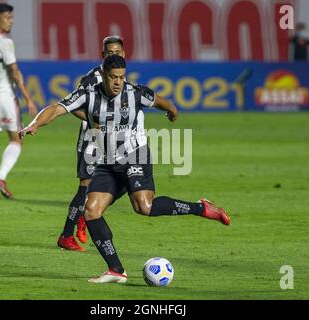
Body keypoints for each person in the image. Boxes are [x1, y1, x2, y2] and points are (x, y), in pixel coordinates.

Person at [19, 55, 231, 284]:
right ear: (103, 74)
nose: (118, 82)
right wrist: (35, 124)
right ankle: (116, 270)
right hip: (107, 162)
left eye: (121, 76)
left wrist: (171, 110)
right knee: (91, 210)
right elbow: (57, 108)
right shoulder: (87, 94)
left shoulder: (135, 93)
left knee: (144, 207)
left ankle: (202, 209)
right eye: (113, 77)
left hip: (134, 156)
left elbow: (159, 100)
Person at [57, 36, 126, 252]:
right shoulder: (92, 78)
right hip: (91, 141)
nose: (113, 55)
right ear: (102, 55)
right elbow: (73, 104)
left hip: (113, 141)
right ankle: (67, 235)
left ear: (123, 53)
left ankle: (86, 215)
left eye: (117, 52)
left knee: (123, 180)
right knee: (85, 186)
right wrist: (93, 119)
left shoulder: (120, 76)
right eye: (109, 53)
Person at [0, 3, 37, 199]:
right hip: (3, 94)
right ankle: (0, 178)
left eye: (11, 18)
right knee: (17, 138)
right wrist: (28, 98)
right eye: (7, 18)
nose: (11, 21)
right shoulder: (5, 42)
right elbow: (14, 72)